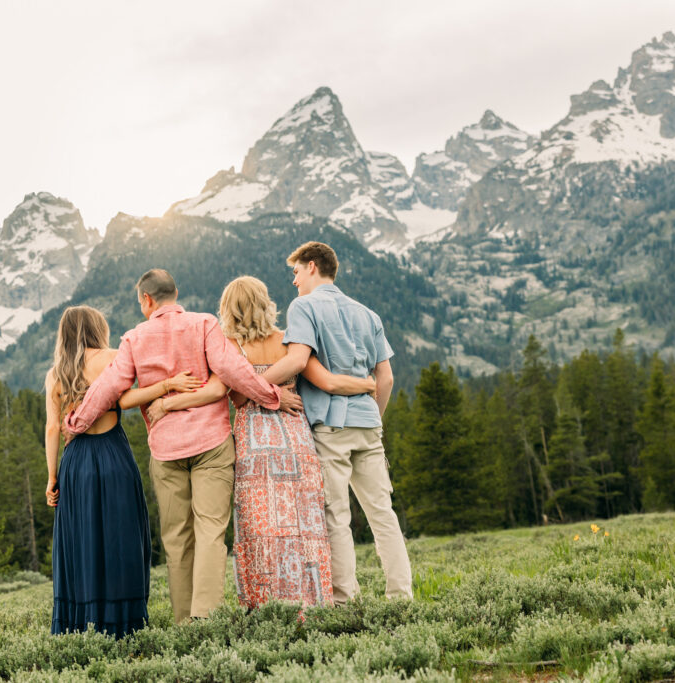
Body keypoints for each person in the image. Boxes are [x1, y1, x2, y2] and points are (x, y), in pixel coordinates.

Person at [63, 269, 303, 624]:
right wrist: (272, 396)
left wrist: (77, 422)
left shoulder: (135, 337)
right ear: (176, 293)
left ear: (146, 300)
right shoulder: (204, 324)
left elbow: (110, 387)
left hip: (166, 449)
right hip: (212, 444)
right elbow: (233, 370)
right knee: (210, 531)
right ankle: (205, 618)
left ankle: (182, 622)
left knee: (176, 539)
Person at [148, 276, 376, 609]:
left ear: (229, 310)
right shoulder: (289, 340)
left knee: (259, 528)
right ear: (265, 303)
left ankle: (264, 606)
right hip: (295, 439)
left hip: (255, 443)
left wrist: (167, 402)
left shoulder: (229, 347)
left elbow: (236, 397)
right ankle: (311, 603)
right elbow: (324, 380)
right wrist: (366, 384)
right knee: (303, 523)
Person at [262, 242, 413, 603]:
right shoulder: (367, 313)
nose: (294, 282)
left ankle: (346, 600)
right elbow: (386, 378)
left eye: (296, 272)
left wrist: (254, 381)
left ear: (312, 266)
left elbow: (299, 361)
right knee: (383, 514)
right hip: (367, 423)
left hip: (330, 426)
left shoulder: (304, 307)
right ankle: (401, 597)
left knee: (336, 516)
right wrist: (373, 419)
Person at [44, 305, 204, 638]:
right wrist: (167, 386)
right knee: (122, 538)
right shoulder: (113, 356)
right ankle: (124, 623)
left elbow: (51, 429)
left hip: (75, 463)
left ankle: (80, 625)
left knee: (81, 541)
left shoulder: (55, 373)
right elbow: (128, 397)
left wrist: (52, 477)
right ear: (96, 328)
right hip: (114, 454)